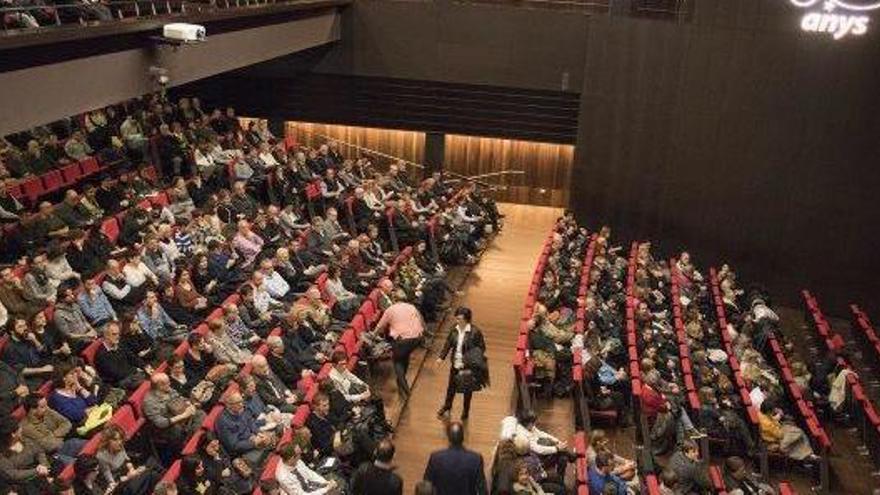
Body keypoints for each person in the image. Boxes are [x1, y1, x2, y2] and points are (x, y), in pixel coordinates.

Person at [436, 307, 488, 420]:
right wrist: (441, 357)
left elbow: (481, 348)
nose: (457, 321)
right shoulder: (454, 329)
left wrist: (471, 358)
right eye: (457, 318)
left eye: (459, 319)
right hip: (455, 363)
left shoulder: (475, 332)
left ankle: (465, 411)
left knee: (467, 389)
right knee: (451, 387)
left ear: (466, 320)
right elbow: (448, 343)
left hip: (467, 366)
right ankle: (447, 406)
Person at [374, 294, 425, 399]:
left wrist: (373, 335)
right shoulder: (411, 306)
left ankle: (406, 388)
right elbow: (420, 320)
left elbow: (380, 326)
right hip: (417, 338)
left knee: (397, 362)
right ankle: (401, 384)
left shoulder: (390, 309)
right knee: (404, 357)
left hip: (403, 340)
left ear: (394, 299)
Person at [423, 421, 486, 495]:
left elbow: (426, 485)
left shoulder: (436, 458)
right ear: (463, 437)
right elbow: (482, 489)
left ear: (448, 437)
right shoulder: (476, 459)